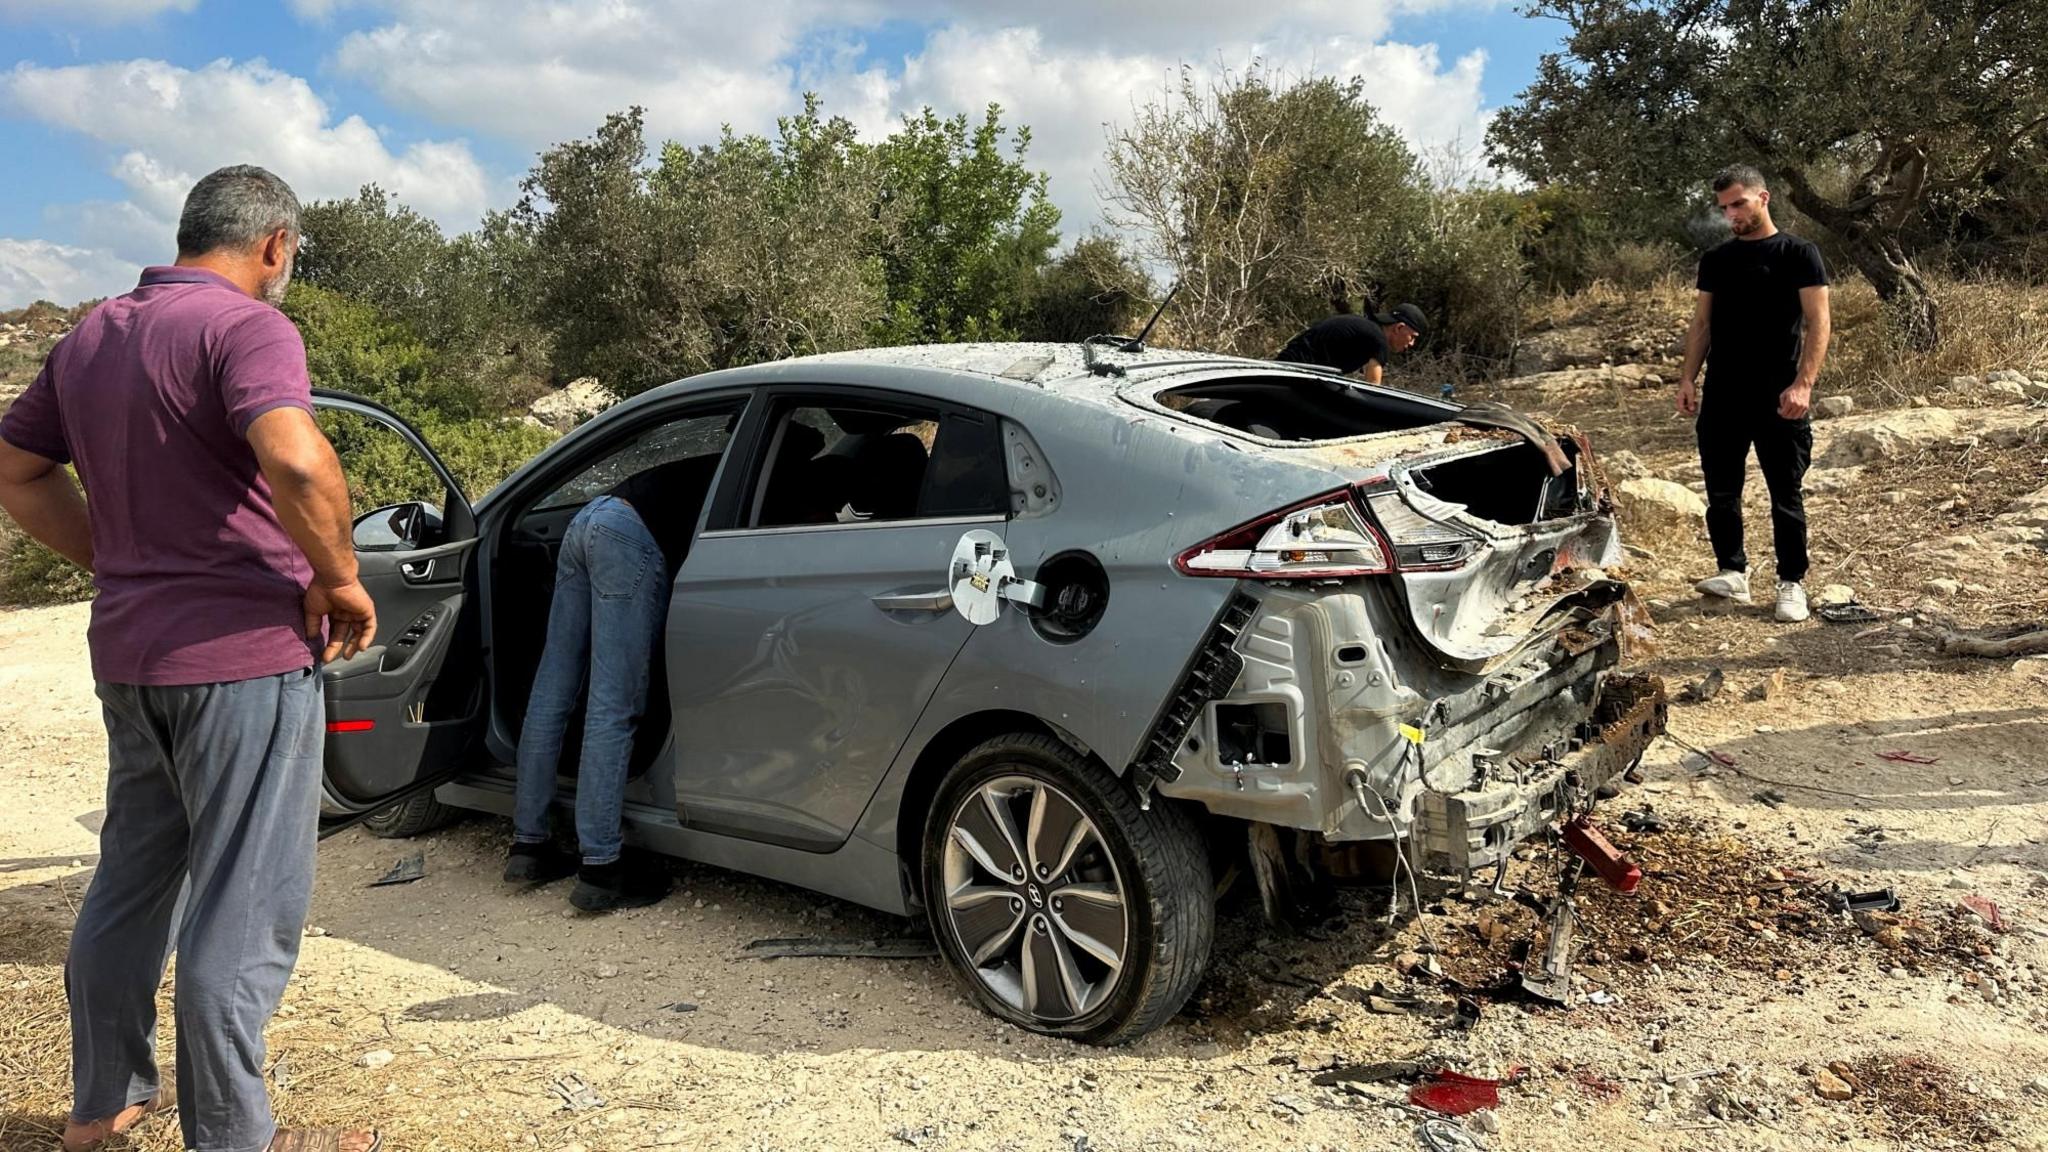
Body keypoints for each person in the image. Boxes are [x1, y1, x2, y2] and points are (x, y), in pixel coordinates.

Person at [0, 167, 381, 1152]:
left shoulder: (93, 332)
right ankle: (233, 1135)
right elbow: (297, 458)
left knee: (131, 878)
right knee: (245, 905)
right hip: (241, 659)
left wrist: (115, 560)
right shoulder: (249, 327)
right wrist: (339, 578)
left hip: (130, 657)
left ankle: (104, 1102)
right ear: (274, 246)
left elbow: (16, 470)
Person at [502, 462, 685, 912]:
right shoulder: (781, 473)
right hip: (628, 535)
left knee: (552, 687)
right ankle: (602, 868)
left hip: (588, 519)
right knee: (613, 704)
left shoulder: (702, 463)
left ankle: (529, 846)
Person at [1676, 164, 1832, 623]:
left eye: (1738, 204)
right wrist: (1688, 378)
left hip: (1780, 393)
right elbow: (1702, 324)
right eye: (1724, 208)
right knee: (1721, 491)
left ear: (1763, 198)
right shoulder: (1716, 261)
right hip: (1723, 394)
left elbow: (1818, 322)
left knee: (1785, 491)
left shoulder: (1799, 253)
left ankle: (1791, 582)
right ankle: (1732, 570)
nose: (1731, 215)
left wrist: (1803, 384)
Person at [1274, 302, 1427, 383]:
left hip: (1290, 367)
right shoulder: (1378, 339)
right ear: (1399, 328)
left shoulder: (1367, 329)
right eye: (1412, 337)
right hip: (1295, 373)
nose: (1412, 343)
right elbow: (1373, 389)